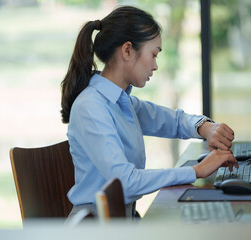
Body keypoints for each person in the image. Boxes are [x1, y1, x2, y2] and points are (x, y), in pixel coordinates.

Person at [60, 5, 238, 219]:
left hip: (123, 222)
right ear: (127, 51)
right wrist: (195, 171)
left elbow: (171, 121)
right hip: (95, 228)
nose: (155, 66)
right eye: (153, 54)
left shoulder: (121, 101)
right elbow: (124, 182)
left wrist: (205, 127)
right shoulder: (91, 107)